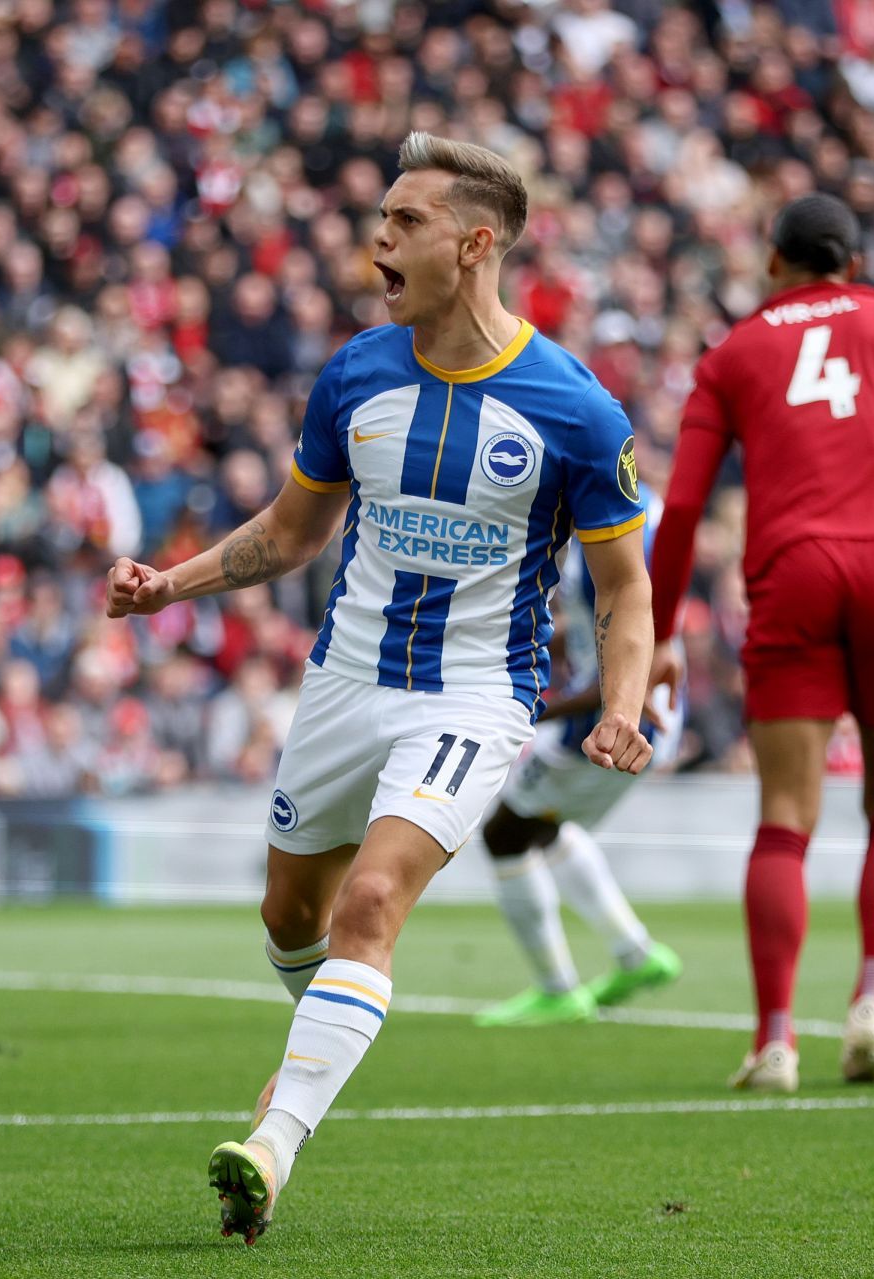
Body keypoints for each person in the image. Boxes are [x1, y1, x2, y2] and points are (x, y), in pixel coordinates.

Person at [106, 133, 656, 1244]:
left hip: (472, 696)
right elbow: (293, 531)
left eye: (404, 222)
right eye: (383, 218)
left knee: (370, 905)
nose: (378, 240)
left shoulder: (577, 411)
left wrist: (621, 706)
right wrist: (173, 584)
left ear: (475, 242)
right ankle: (308, 1064)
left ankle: (275, 1137)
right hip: (344, 684)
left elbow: (622, 586)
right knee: (288, 919)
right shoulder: (357, 370)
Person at [647, 194, 874, 1093]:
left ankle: (775, 1041)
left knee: (784, 819)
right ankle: (873, 999)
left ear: (773, 261)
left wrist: (655, 634)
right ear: (853, 260)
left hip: (793, 569)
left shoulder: (731, 354)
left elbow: (682, 505)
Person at [475, 500, 683, 1027]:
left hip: (619, 718)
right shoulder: (608, 520)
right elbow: (602, 628)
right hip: (632, 711)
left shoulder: (623, 537)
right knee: (543, 824)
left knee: (506, 833)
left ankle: (558, 990)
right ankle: (635, 955)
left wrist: (527, 710)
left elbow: (635, 656)